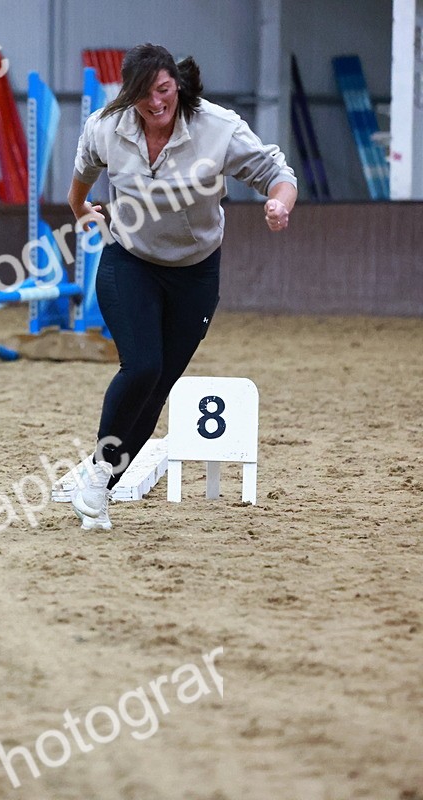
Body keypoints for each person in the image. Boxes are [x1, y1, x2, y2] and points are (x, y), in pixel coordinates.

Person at [66, 43, 297, 530]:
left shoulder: (219, 127)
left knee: (158, 388)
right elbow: (83, 168)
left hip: (195, 272)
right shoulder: (107, 126)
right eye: (145, 94)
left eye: (164, 90)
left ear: (177, 85)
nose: (156, 103)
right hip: (129, 260)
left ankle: (99, 489)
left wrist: (280, 203)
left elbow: (276, 172)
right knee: (142, 365)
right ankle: (98, 474)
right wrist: (79, 208)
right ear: (130, 96)